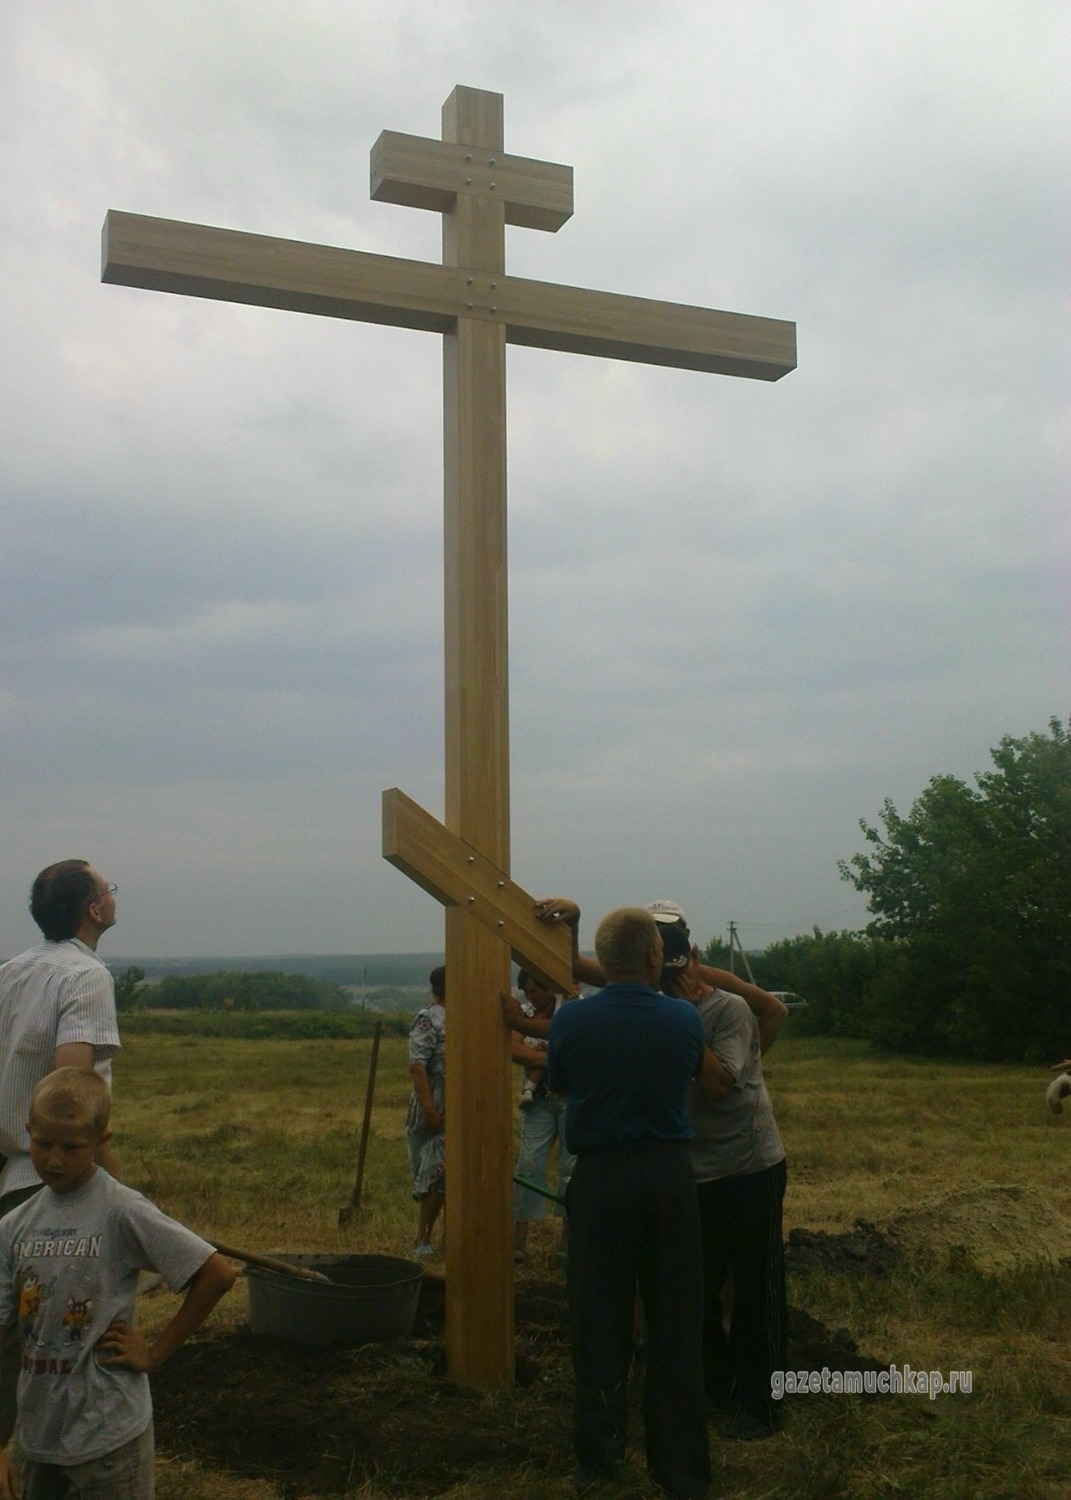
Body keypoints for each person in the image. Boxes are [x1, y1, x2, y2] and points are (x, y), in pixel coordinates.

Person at [546, 907, 735, 1500]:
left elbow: (558, 1084)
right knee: (676, 1323)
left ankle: (598, 1464)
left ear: (605, 960)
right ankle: (681, 1470)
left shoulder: (571, 1021)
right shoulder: (683, 1020)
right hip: (667, 1180)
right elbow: (691, 1078)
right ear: (655, 956)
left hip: (600, 1180)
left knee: (597, 1322)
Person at [0, 1067, 235, 1500]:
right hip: (37, 1440)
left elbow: (215, 1274)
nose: (54, 1158)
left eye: (71, 1147)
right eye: (43, 1143)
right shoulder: (14, 1225)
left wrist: (154, 1352)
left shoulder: (121, 1210)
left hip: (106, 1440)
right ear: (27, 1131)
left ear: (100, 1140)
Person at [0, 860, 124, 1447]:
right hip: (46, 1177)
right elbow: (72, 1095)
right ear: (94, 910)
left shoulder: (10, 972)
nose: (112, 897)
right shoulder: (85, 975)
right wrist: (111, 1183)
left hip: (8, 1164)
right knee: (51, 1332)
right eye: (108, 890)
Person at [659, 921, 788, 1438]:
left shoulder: (728, 1010)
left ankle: (764, 1403)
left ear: (689, 957)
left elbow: (716, 1084)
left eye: (675, 964)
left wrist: (683, 1018)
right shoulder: (658, 1008)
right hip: (695, 1170)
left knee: (757, 1286)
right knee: (700, 1286)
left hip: (749, 1166)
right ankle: (718, 1387)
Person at [509, 970, 574, 1265]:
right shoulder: (522, 1013)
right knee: (528, 1164)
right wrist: (555, 1060)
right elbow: (514, 1049)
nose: (530, 997)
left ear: (551, 988)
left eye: (535, 991)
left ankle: (567, 1240)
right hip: (537, 1102)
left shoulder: (572, 1007)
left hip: (572, 1100)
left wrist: (538, 1058)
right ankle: (518, 1241)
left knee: (570, 1168)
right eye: (526, 991)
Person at [405, 965, 446, 1256]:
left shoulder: (469, 1016)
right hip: (431, 1108)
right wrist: (430, 1110)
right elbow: (418, 1067)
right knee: (425, 1172)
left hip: (457, 1109)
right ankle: (424, 1238)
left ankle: (424, 1237)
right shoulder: (428, 1019)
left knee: (436, 1172)